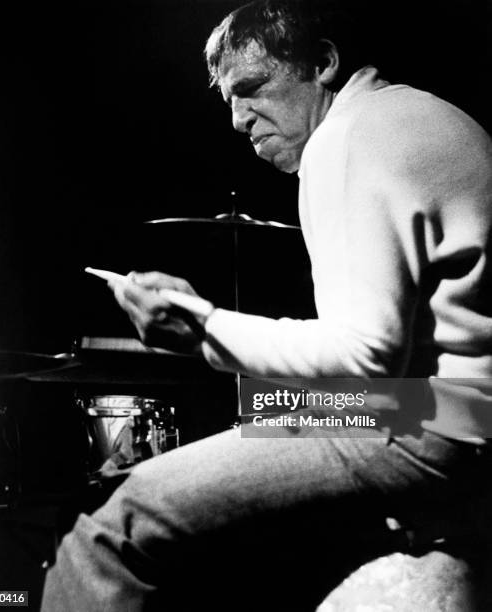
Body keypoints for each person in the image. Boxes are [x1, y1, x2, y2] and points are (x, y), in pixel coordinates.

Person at [42, 1, 492, 610]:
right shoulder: (412, 115)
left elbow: (365, 356)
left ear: (322, 63)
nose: (238, 120)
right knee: (261, 402)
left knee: (113, 523)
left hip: (444, 424)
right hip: (444, 405)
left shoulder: (350, 137)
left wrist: (199, 326)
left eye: (253, 88)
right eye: (228, 99)